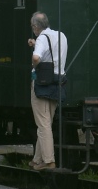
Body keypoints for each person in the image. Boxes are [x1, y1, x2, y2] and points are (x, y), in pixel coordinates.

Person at [28, 12, 68, 171]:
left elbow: (37, 57)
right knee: (46, 122)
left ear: (35, 27)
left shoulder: (42, 39)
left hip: (43, 83)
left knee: (43, 124)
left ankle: (48, 160)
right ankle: (37, 159)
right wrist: (35, 42)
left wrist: (34, 57)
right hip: (58, 82)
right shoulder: (61, 35)